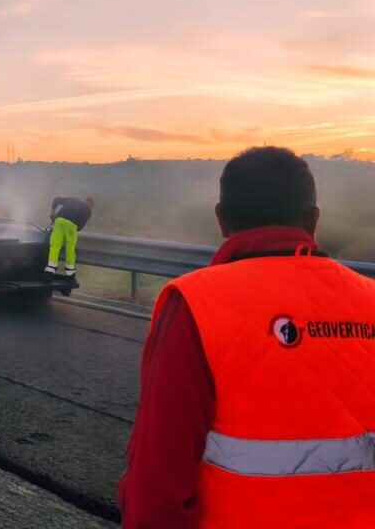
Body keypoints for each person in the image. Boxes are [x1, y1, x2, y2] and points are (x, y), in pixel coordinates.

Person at [117, 146, 375, 528]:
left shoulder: (195, 303)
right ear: (314, 220)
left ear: (221, 219)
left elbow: (157, 481)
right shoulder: (369, 300)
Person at [44, 196, 94, 279]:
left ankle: (50, 270)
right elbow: (80, 227)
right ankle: (70, 273)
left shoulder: (73, 199)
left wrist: (52, 212)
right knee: (70, 249)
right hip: (72, 226)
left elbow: (56, 199)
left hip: (59, 222)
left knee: (55, 246)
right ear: (90, 205)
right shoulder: (88, 210)